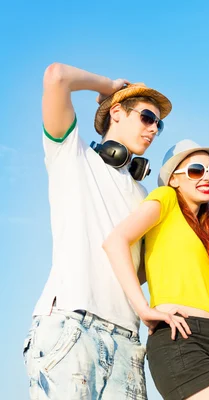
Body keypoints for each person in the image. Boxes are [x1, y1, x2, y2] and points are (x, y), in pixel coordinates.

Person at [23, 63, 171, 399]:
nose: (154, 129)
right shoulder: (70, 153)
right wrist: (109, 85)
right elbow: (56, 76)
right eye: (147, 118)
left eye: (159, 125)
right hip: (71, 325)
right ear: (117, 111)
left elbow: (144, 270)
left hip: (127, 339)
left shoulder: (143, 196)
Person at [103, 140, 209, 400]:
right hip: (181, 336)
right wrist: (144, 309)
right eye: (196, 170)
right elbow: (115, 241)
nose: (207, 177)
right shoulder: (166, 198)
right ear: (174, 180)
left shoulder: (202, 228)